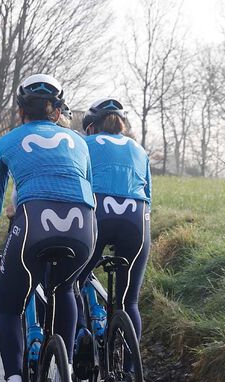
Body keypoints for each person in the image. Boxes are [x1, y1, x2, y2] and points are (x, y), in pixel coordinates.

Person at [0, 74, 96, 382]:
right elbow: (85, 187)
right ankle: (63, 380)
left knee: (10, 307)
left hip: (32, 222)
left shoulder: (8, 140)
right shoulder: (79, 142)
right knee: (66, 291)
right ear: (58, 111)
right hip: (84, 225)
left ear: (21, 110)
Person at [77, 98, 151, 338]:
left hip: (98, 213)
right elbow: (148, 194)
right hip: (137, 217)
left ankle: (80, 340)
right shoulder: (139, 149)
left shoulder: (84, 143)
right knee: (129, 303)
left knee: (71, 284)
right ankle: (129, 372)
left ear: (91, 127)